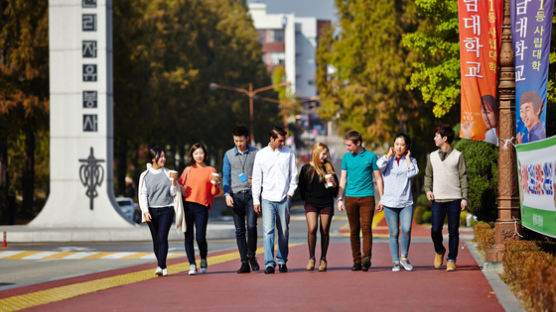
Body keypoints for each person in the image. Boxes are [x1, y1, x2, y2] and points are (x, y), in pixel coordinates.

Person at [252, 126, 298, 274]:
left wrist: (290, 194)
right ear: (271, 139)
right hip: (267, 199)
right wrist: (256, 200)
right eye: (280, 140)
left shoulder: (289, 153)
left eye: (283, 141)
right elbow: (257, 178)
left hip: (284, 198)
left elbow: (294, 176)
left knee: (284, 231)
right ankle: (269, 263)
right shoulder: (261, 155)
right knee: (268, 231)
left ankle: (282, 260)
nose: (282, 143)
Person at [337, 130, 383, 272]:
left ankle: (366, 258)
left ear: (358, 143)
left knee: (366, 228)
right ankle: (356, 261)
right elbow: (343, 179)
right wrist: (340, 198)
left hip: (367, 198)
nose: (347, 148)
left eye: (349, 145)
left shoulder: (371, 157)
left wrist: (382, 198)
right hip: (350, 198)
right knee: (354, 230)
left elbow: (379, 178)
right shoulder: (346, 158)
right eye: (346, 145)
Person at [424, 125, 469, 271]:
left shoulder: (458, 156)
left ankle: (451, 259)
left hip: (455, 198)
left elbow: (463, 177)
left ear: (444, 139)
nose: (434, 138)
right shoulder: (431, 156)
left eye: (437, 136)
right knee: (435, 230)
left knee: (453, 231)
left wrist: (464, 197)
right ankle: (439, 250)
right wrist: (428, 190)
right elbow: (428, 175)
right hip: (438, 199)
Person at [376, 133, 419, 272]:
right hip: (390, 203)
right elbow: (378, 166)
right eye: (396, 144)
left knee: (406, 229)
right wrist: (388, 155)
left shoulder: (411, 160)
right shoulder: (388, 161)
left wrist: (407, 160)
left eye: (402, 144)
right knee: (393, 232)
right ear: (393, 146)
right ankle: (395, 261)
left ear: (407, 147)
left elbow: (412, 173)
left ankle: (404, 257)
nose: (399, 147)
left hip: (406, 202)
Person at [178, 143, 220, 275]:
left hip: (202, 206)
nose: (199, 156)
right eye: (196, 153)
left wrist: (215, 184)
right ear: (192, 155)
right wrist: (179, 187)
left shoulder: (211, 170)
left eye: (201, 153)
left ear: (205, 154)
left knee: (200, 237)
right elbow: (179, 187)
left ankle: (203, 258)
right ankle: (191, 264)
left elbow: (214, 192)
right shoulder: (187, 170)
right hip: (187, 206)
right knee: (188, 236)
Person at [222, 126, 260, 273]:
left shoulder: (256, 153)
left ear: (247, 138)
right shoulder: (228, 155)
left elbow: (262, 173)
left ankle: (251, 255)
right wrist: (226, 194)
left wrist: (256, 181)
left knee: (251, 226)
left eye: (241, 140)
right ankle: (244, 262)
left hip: (251, 195)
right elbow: (226, 176)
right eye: (236, 140)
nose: (239, 143)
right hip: (235, 196)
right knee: (239, 230)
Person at [138, 146, 179, 277]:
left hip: (166, 209)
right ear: (153, 158)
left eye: (164, 156)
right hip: (151, 211)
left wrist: (174, 182)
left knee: (162, 237)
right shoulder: (145, 175)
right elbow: (143, 194)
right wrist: (145, 211)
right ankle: (162, 265)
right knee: (156, 240)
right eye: (160, 156)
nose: (163, 159)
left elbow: (173, 193)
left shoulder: (168, 173)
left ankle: (160, 265)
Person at [298, 142, 338, 272]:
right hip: (311, 203)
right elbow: (302, 188)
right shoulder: (306, 168)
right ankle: (311, 258)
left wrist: (333, 184)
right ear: (316, 153)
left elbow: (333, 192)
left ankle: (323, 259)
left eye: (326, 153)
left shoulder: (328, 167)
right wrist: (304, 202)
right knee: (312, 228)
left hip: (326, 202)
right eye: (323, 153)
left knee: (324, 230)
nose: (325, 156)